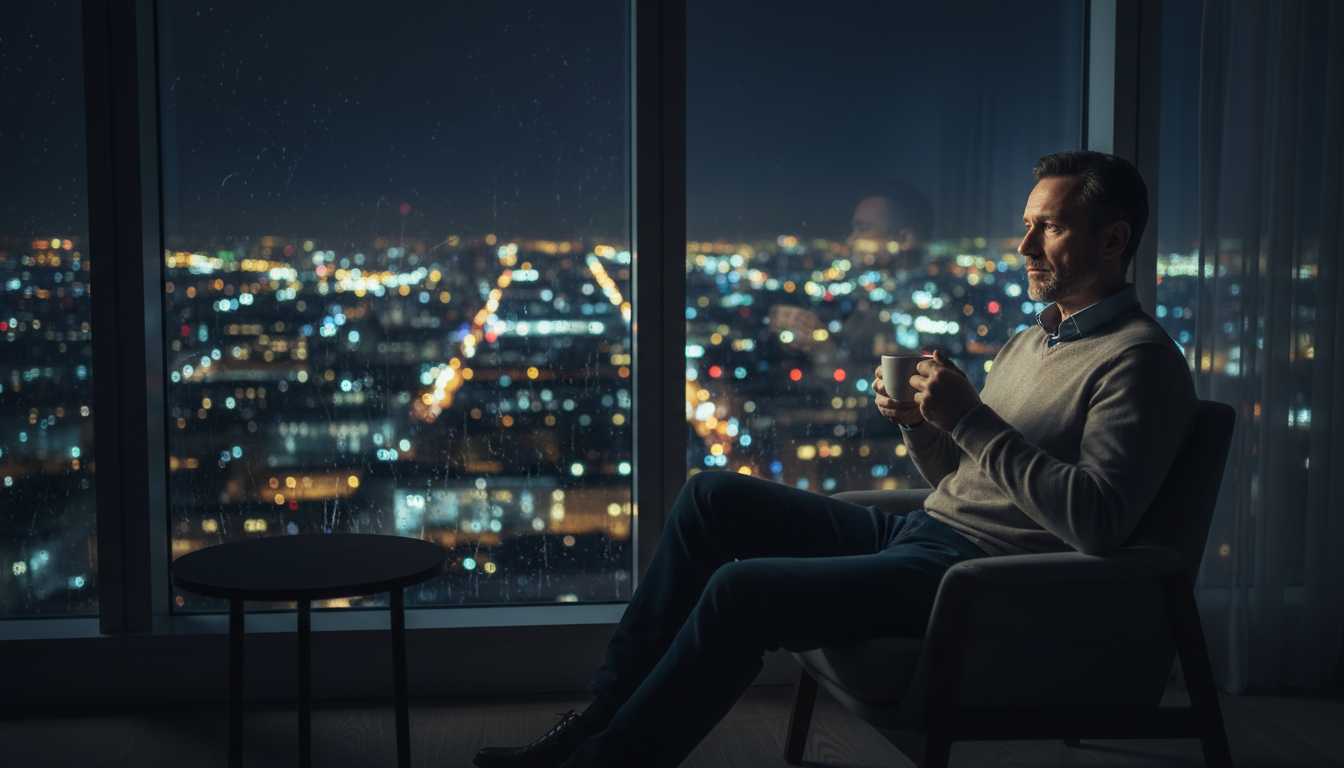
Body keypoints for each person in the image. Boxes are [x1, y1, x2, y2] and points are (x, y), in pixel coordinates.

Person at [473, 150, 1197, 768]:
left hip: (974, 573)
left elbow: (1099, 522)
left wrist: (969, 418)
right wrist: (922, 426)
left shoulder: (1140, 363)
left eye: (1053, 226)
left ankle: (606, 763)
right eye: (1026, 225)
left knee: (740, 592)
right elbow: (960, 479)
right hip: (925, 536)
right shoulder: (1033, 339)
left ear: (1113, 241)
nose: (1025, 246)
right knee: (710, 499)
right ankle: (598, 715)